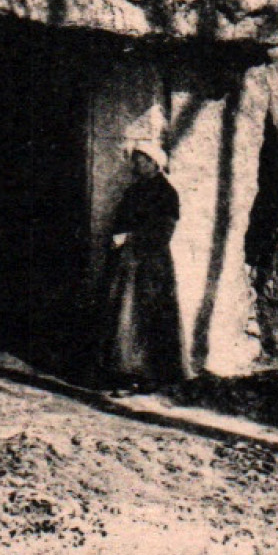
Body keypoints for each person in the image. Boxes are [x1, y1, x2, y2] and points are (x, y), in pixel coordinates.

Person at [103, 144, 185, 388]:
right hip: (128, 262)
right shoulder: (133, 191)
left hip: (151, 263)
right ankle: (126, 374)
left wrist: (130, 238)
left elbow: (163, 232)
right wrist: (118, 239)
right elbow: (120, 221)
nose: (136, 165)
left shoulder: (167, 193)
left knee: (146, 316)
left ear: (154, 163)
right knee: (124, 317)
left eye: (141, 160)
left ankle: (147, 377)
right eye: (136, 160)